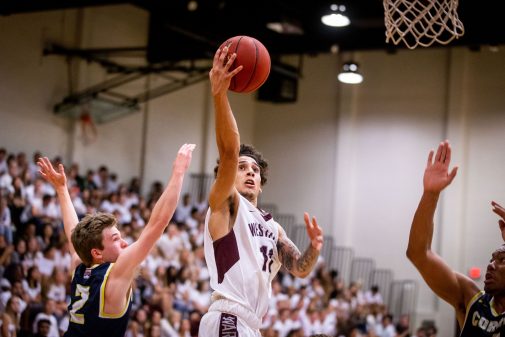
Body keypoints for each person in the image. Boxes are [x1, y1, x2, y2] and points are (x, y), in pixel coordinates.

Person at [198, 45, 324, 336]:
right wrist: (220, 94)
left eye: (255, 170)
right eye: (242, 168)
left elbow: (300, 269)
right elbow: (229, 151)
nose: (250, 173)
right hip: (227, 315)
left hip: (252, 324)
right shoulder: (226, 204)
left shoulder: (274, 228)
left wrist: (314, 248)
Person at [37, 143, 195, 337]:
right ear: (97, 253)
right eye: (115, 238)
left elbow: (73, 232)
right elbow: (157, 224)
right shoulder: (114, 273)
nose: (124, 243)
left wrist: (62, 190)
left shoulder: (79, 263)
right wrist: (179, 172)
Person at [407, 140, 505, 336]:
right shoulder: (472, 299)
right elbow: (419, 254)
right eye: (492, 259)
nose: (492, 265)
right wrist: (430, 194)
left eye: (502, 260)